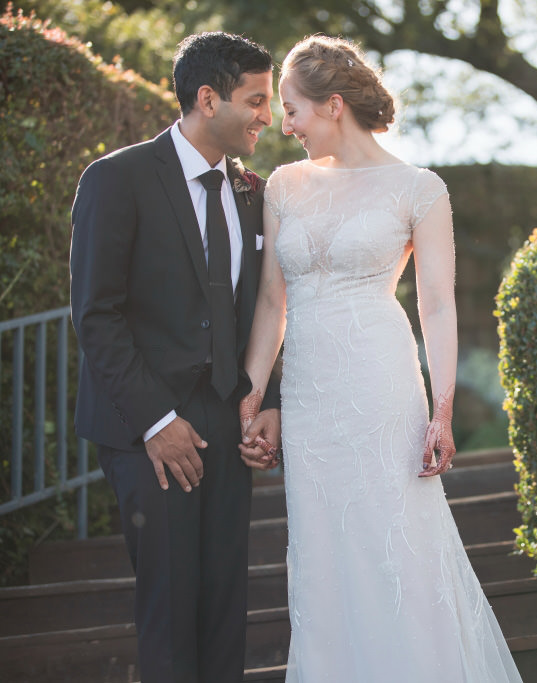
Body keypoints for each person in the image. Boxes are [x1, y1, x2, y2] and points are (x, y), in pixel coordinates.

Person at [239, 35, 523, 681]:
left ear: (332, 104)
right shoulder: (285, 184)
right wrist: (252, 396)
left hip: (381, 382)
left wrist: (443, 412)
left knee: (398, 543)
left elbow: (438, 307)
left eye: (292, 109)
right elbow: (268, 303)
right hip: (311, 396)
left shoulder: (419, 188)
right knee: (324, 552)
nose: (284, 125)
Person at [69, 32, 282, 683]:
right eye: (255, 100)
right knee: (171, 605)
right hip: (148, 428)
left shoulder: (257, 192)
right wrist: (156, 421)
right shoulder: (116, 178)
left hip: (227, 420)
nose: (266, 117)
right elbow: (95, 314)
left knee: (225, 604)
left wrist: (268, 403)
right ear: (207, 96)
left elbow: (267, 309)